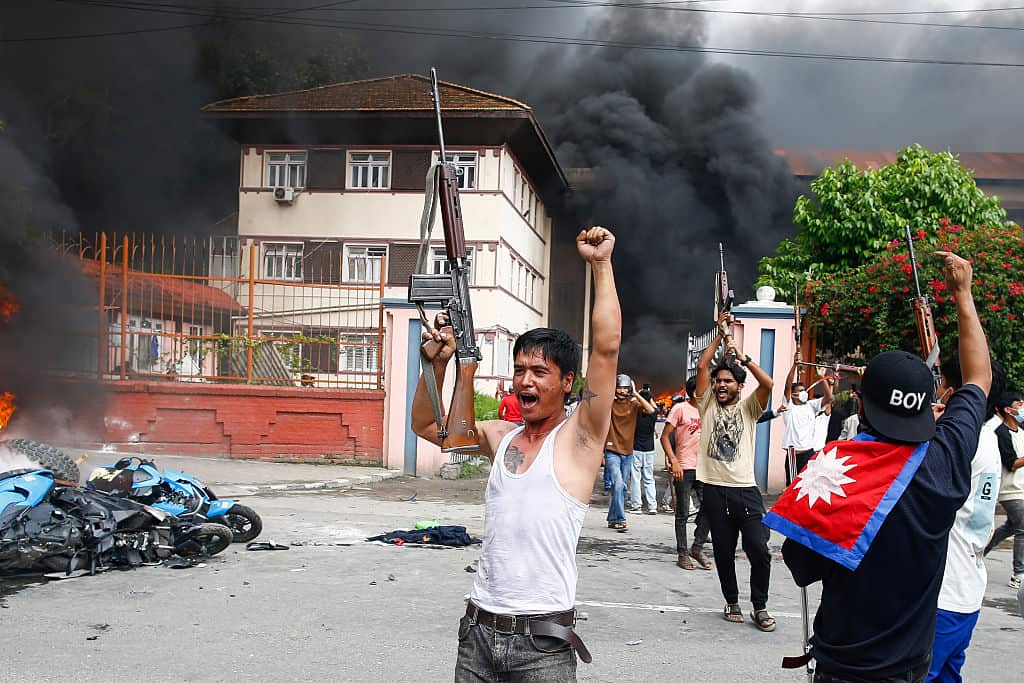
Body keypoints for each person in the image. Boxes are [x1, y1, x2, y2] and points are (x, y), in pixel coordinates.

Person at [411, 227, 621, 681]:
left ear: (567, 383)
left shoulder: (580, 438)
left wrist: (601, 266)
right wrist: (440, 364)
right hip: (479, 634)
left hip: (542, 647)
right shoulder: (501, 436)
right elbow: (431, 429)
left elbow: (606, 347)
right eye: (520, 369)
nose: (526, 381)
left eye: (540, 372)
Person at [782, 250, 991, 683]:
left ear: (861, 405)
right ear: (928, 407)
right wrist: (963, 295)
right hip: (912, 665)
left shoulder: (834, 470)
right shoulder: (946, 459)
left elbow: (801, 566)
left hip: (843, 666)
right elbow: (979, 379)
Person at [927, 358, 1006, 683]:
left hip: (944, 592)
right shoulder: (988, 440)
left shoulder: (959, 442)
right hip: (967, 588)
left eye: (943, 384)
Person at [693, 317, 775, 631]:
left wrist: (744, 359)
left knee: (759, 549)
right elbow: (702, 367)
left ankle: (760, 605)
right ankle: (732, 600)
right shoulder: (707, 406)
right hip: (714, 489)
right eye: (719, 381)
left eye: (728, 381)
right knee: (724, 552)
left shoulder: (750, 408)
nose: (721, 385)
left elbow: (767, 384)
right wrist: (719, 334)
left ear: (739, 386)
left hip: (745, 490)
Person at [661, 376, 712, 570]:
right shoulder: (679, 409)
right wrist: (673, 461)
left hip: (705, 469)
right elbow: (665, 437)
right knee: (682, 513)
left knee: (710, 509)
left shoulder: (710, 410)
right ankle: (682, 554)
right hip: (683, 467)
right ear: (693, 392)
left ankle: (697, 547)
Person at [984, 389, 1024, 588]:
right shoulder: (1000, 433)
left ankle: (981, 550)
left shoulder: (1022, 432)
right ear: (1008, 410)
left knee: (1011, 527)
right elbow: (1011, 463)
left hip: (1021, 490)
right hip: (1010, 491)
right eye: (1020, 405)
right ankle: (1019, 573)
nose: (1023, 408)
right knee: (1023, 528)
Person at [605, 374, 656, 531]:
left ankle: (612, 517)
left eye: (625, 388)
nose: (621, 391)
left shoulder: (634, 405)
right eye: (619, 387)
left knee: (619, 487)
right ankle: (621, 519)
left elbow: (651, 410)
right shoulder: (609, 404)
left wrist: (635, 394)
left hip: (628, 452)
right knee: (619, 484)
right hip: (611, 450)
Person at [781, 356, 834, 483]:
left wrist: (822, 378)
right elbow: (787, 386)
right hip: (794, 455)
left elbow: (828, 398)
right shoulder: (789, 407)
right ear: (793, 395)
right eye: (799, 391)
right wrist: (794, 365)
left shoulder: (811, 406)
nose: (803, 393)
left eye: (804, 390)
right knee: (793, 488)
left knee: (810, 486)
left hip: (809, 453)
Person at [627, 387, 660, 514]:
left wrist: (636, 394)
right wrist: (648, 398)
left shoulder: (635, 413)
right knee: (649, 478)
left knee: (635, 477)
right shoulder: (653, 414)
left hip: (636, 449)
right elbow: (652, 407)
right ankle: (652, 506)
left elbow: (632, 401)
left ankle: (637, 505)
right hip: (649, 450)